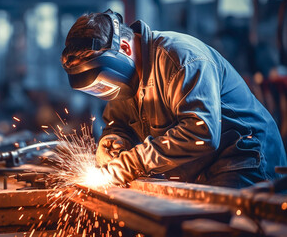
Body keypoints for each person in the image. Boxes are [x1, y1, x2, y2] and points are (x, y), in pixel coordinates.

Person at [61, 10, 287, 188]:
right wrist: (114, 141)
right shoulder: (124, 77)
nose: (103, 92)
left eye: (101, 83)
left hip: (246, 158)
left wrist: (133, 162)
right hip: (203, 168)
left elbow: (201, 132)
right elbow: (117, 124)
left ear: (124, 47)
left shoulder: (182, 59)